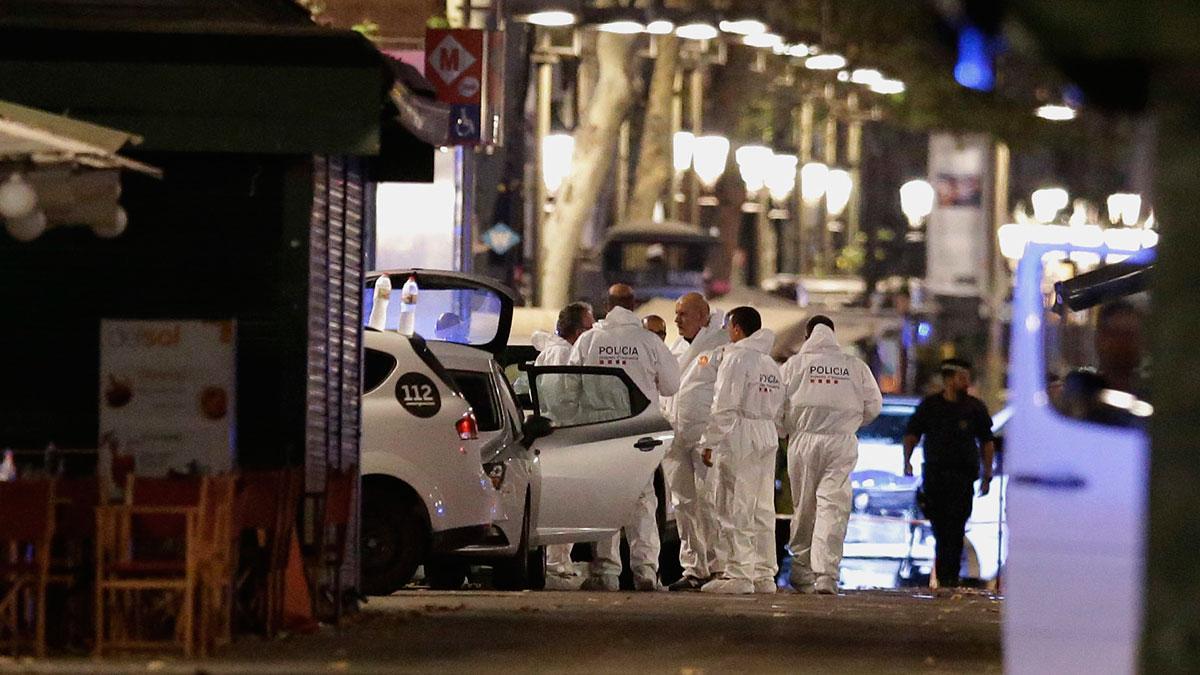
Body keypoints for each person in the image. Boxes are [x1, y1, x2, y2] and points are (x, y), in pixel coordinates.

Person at [570, 283, 681, 591]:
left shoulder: (589, 341)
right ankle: (645, 572)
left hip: (601, 432)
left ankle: (606, 573)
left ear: (607, 304)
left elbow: (569, 386)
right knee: (643, 502)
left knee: (604, 500)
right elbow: (672, 386)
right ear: (634, 305)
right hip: (640, 432)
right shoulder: (649, 342)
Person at [779, 315, 882, 595]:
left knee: (804, 507)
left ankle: (801, 571)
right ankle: (826, 575)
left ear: (808, 335)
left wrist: (786, 429)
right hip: (840, 443)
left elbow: (778, 405)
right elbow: (873, 405)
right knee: (832, 506)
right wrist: (848, 423)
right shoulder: (855, 367)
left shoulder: (794, 366)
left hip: (802, 443)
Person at [699, 307, 785, 594]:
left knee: (734, 501)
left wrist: (709, 441)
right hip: (766, 432)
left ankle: (738, 572)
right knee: (762, 506)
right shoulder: (769, 363)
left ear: (736, 328)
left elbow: (724, 404)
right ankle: (763, 573)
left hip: (741, 432)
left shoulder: (736, 358)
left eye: (727, 327)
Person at [902, 358, 995, 589]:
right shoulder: (930, 406)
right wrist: (907, 462)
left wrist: (987, 475)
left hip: (962, 479)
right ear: (949, 379)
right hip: (936, 478)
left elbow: (987, 443)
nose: (966, 383)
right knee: (941, 530)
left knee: (957, 529)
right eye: (962, 378)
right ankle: (945, 577)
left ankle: (949, 578)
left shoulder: (975, 408)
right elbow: (912, 434)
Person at [661, 293, 728, 591]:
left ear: (702, 316)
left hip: (704, 440)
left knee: (709, 503)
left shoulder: (720, 346)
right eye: (676, 314)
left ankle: (718, 566)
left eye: (683, 314)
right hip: (676, 439)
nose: (677, 320)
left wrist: (712, 436)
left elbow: (722, 396)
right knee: (684, 505)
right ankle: (693, 567)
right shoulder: (675, 348)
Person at [531, 302, 594, 578]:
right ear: (578, 331)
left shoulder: (547, 353)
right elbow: (564, 400)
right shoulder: (565, 355)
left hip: (549, 437)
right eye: (590, 329)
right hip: (565, 436)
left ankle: (556, 561)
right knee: (565, 503)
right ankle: (557, 563)